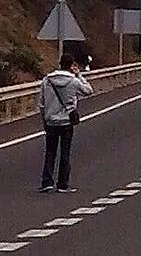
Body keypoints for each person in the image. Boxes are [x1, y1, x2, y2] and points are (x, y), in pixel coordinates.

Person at [38, 53, 93, 193]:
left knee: (50, 152)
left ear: (59, 63)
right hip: (66, 121)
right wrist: (79, 75)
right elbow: (88, 91)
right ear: (71, 66)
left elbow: (42, 104)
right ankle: (62, 184)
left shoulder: (47, 81)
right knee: (65, 152)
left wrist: (44, 120)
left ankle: (46, 182)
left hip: (51, 121)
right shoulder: (74, 81)